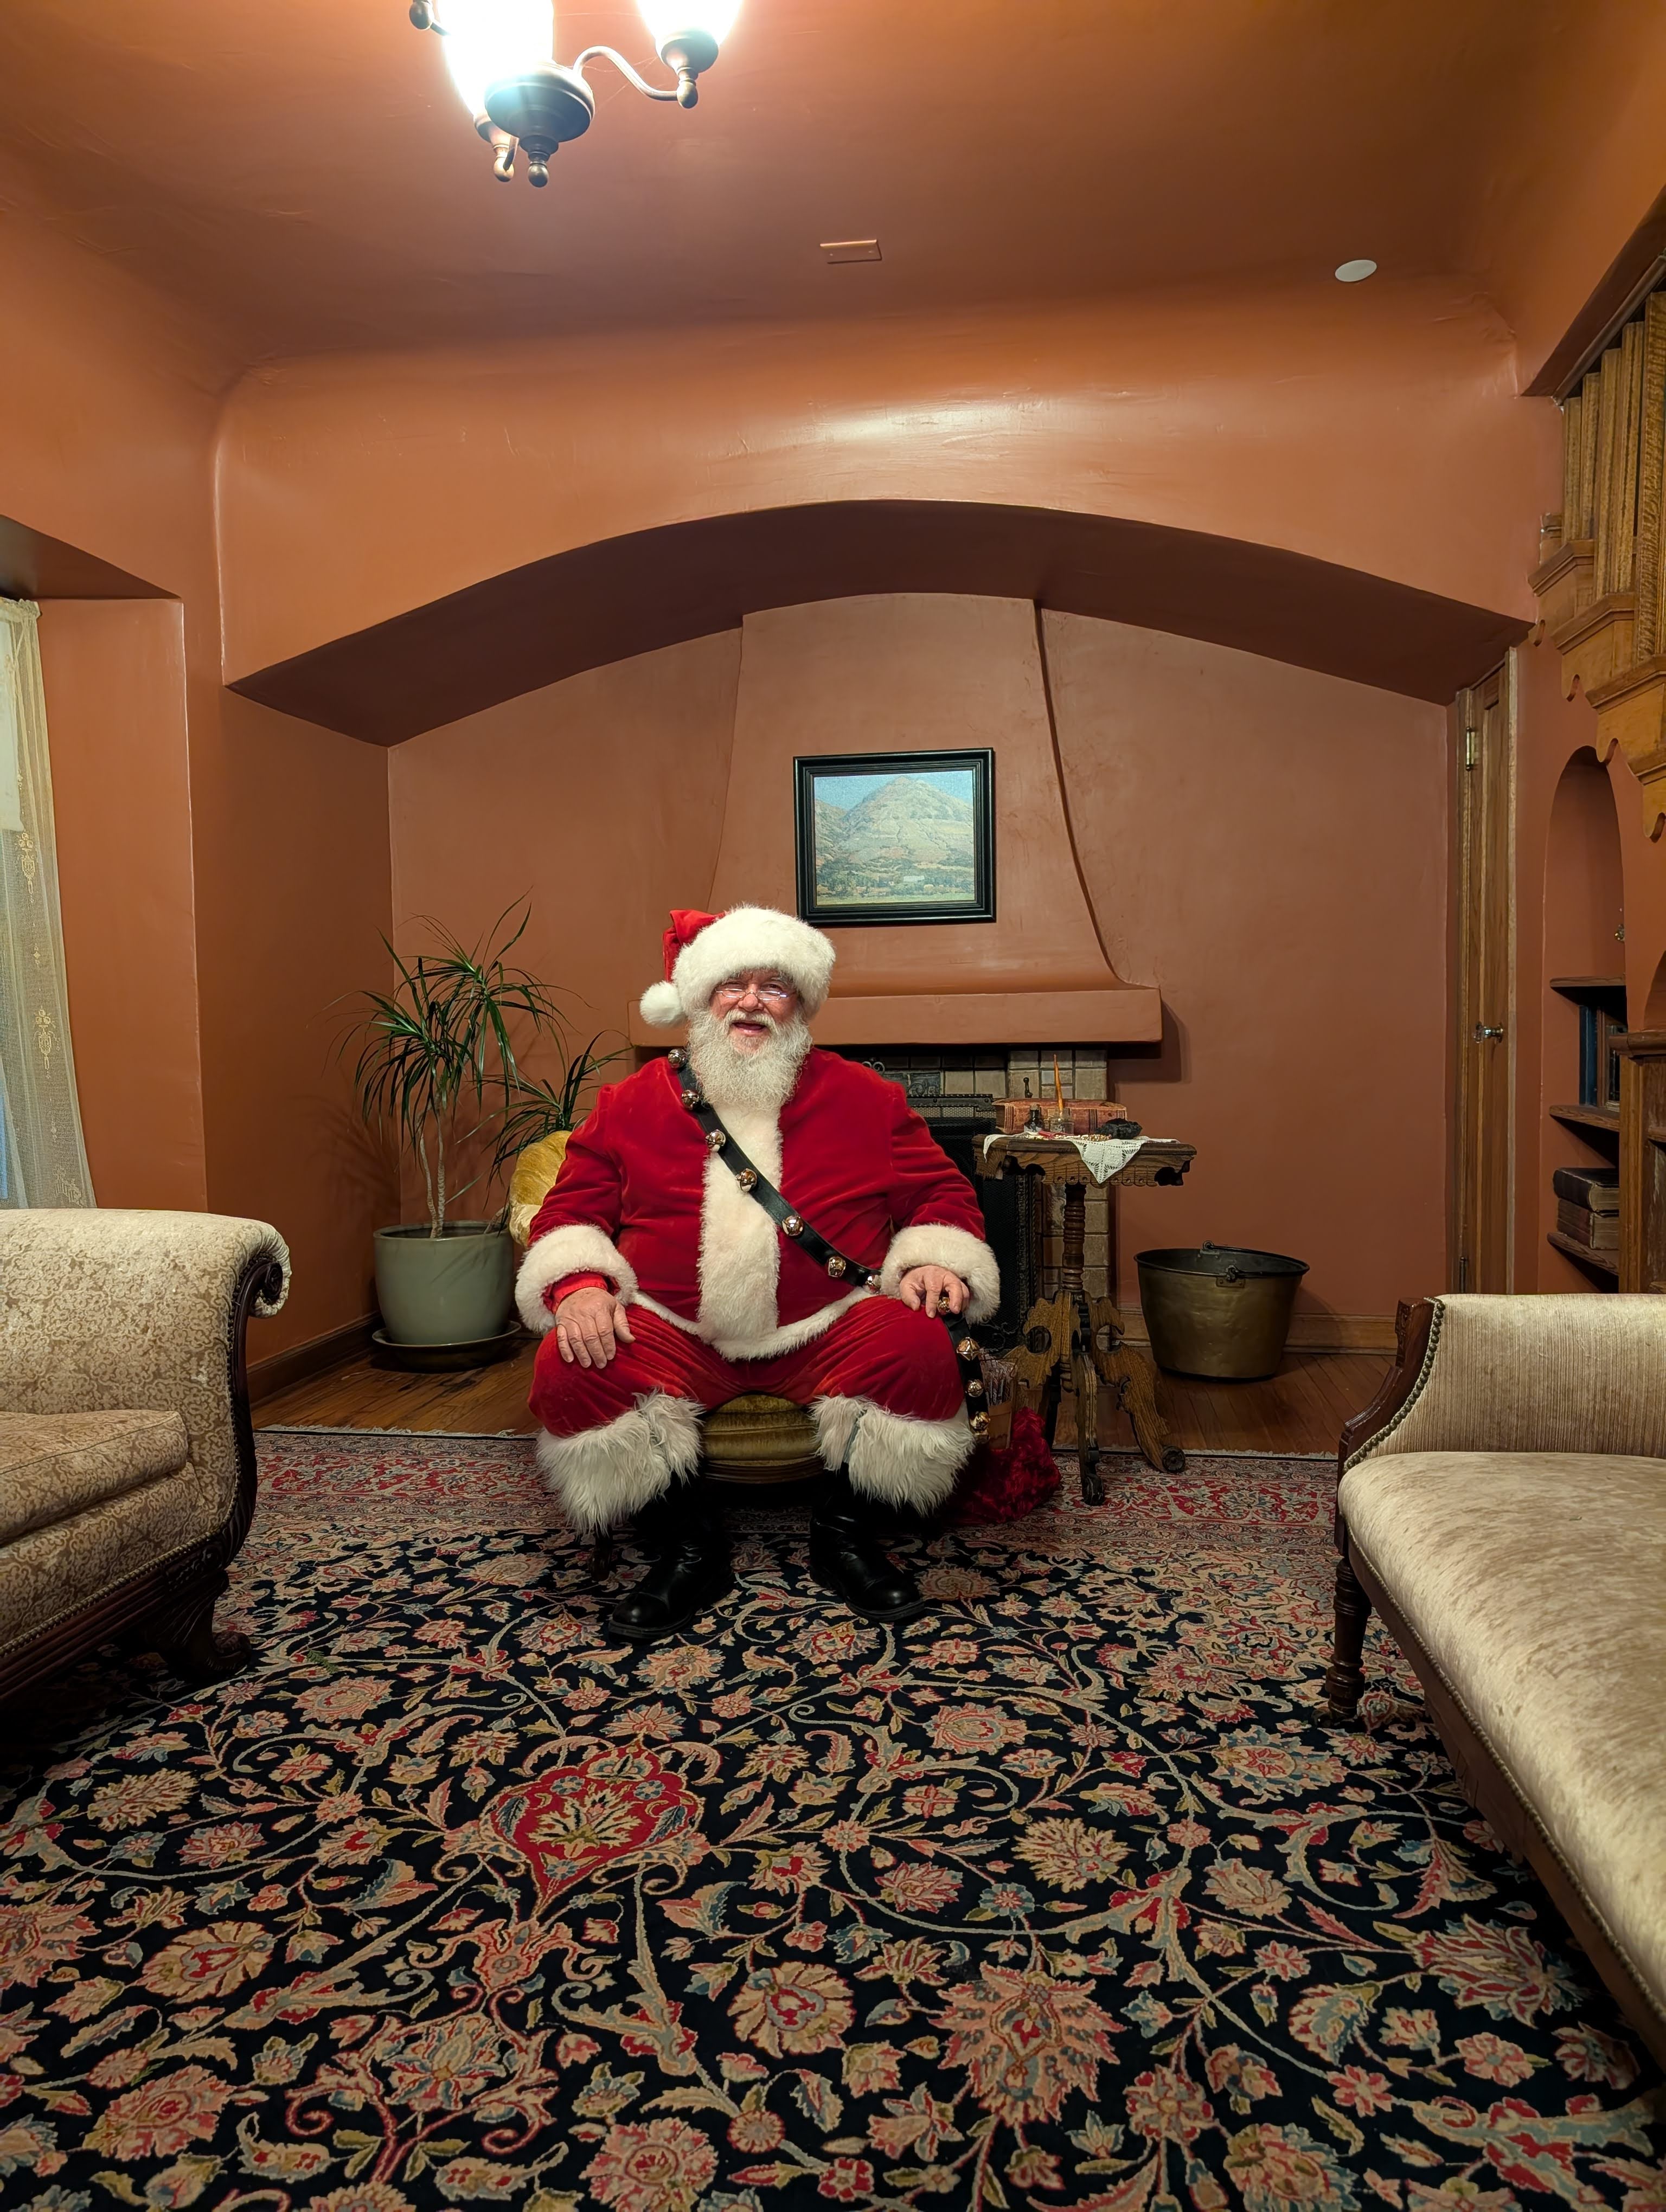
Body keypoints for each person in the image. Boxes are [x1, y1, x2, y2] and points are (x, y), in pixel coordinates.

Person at [517, 904, 999, 1642]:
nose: (750, 1003)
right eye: (731, 985)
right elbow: (569, 1211)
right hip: (676, 1332)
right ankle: (689, 1546)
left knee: (923, 1348)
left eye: (774, 987)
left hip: (827, 1326)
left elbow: (941, 1192)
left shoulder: (867, 1099)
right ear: (700, 996)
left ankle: (844, 1535)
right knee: (570, 1363)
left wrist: (935, 1256)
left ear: (800, 1004)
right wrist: (579, 1286)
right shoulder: (629, 1103)